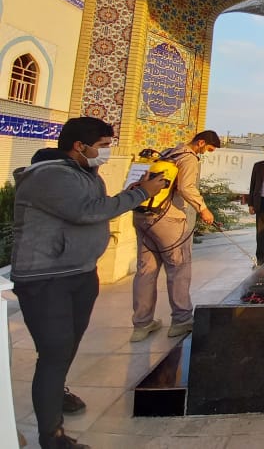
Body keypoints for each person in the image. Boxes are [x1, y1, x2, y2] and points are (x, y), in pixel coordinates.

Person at [11, 117, 165, 449]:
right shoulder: (50, 175)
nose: (106, 152)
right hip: (46, 278)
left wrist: (131, 192)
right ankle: (52, 437)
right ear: (79, 146)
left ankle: (55, 391)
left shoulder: (85, 173)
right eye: (103, 146)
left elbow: (98, 207)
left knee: (65, 347)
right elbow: (87, 212)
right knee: (54, 353)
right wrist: (141, 193)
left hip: (79, 273)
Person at [130, 130, 220, 342]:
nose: (206, 153)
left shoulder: (167, 153)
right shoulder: (188, 158)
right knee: (179, 269)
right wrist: (203, 209)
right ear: (201, 142)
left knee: (145, 271)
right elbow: (187, 187)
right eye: (208, 149)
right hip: (168, 219)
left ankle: (141, 324)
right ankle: (181, 320)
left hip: (143, 216)